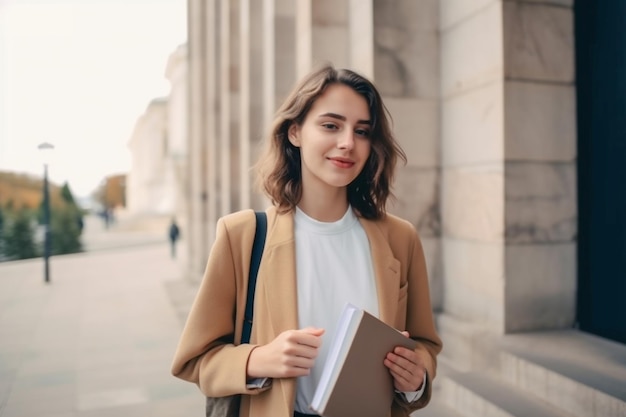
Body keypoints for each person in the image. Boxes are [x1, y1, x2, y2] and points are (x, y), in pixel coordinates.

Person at [171, 63, 443, 417]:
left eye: (362, 131)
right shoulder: (242, 235)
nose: (348, 143)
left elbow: (425, 345)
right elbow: (195, 360)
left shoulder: (400, 238)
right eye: (331, 125)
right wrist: (257, 359)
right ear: (295, 132)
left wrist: (416, 376)